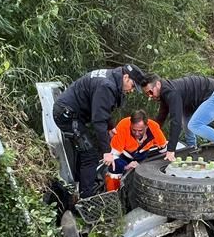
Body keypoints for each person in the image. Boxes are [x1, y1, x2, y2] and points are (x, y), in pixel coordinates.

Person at [53, 63, 148, 196]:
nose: (131, 90)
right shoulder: (106, 85)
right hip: (66, 115)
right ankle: (86, 199)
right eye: (133, 86)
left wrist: (111, 127)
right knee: (90, 155)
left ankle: (79, 190)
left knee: (85, 151)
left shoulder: (111, 78)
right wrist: (107, 152)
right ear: (126, 77)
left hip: (74, 114)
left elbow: (103, 108)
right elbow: (98, 121)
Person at [143, 75, 214, 164]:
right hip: (197, 102)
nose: (150, 96)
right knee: (186, 121)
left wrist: (171, 150)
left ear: (158, 84)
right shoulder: (165, 93)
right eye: (147, 94)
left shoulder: (172, 92)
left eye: (150, 92)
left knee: (194, 125)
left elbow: (175, 122)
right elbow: (160, 119)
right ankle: (192, 149)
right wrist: (146, 139)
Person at [104, 110, 167, 191]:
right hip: (124, 155)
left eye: (140, 130)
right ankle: (112, 193)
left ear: (146, 126)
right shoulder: (123, 125)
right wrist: (126, 166)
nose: (137, 133)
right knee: (114, 166)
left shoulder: (154, 127)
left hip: (142, 155)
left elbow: (163, 149)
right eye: (134, 130)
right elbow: (113, 155)